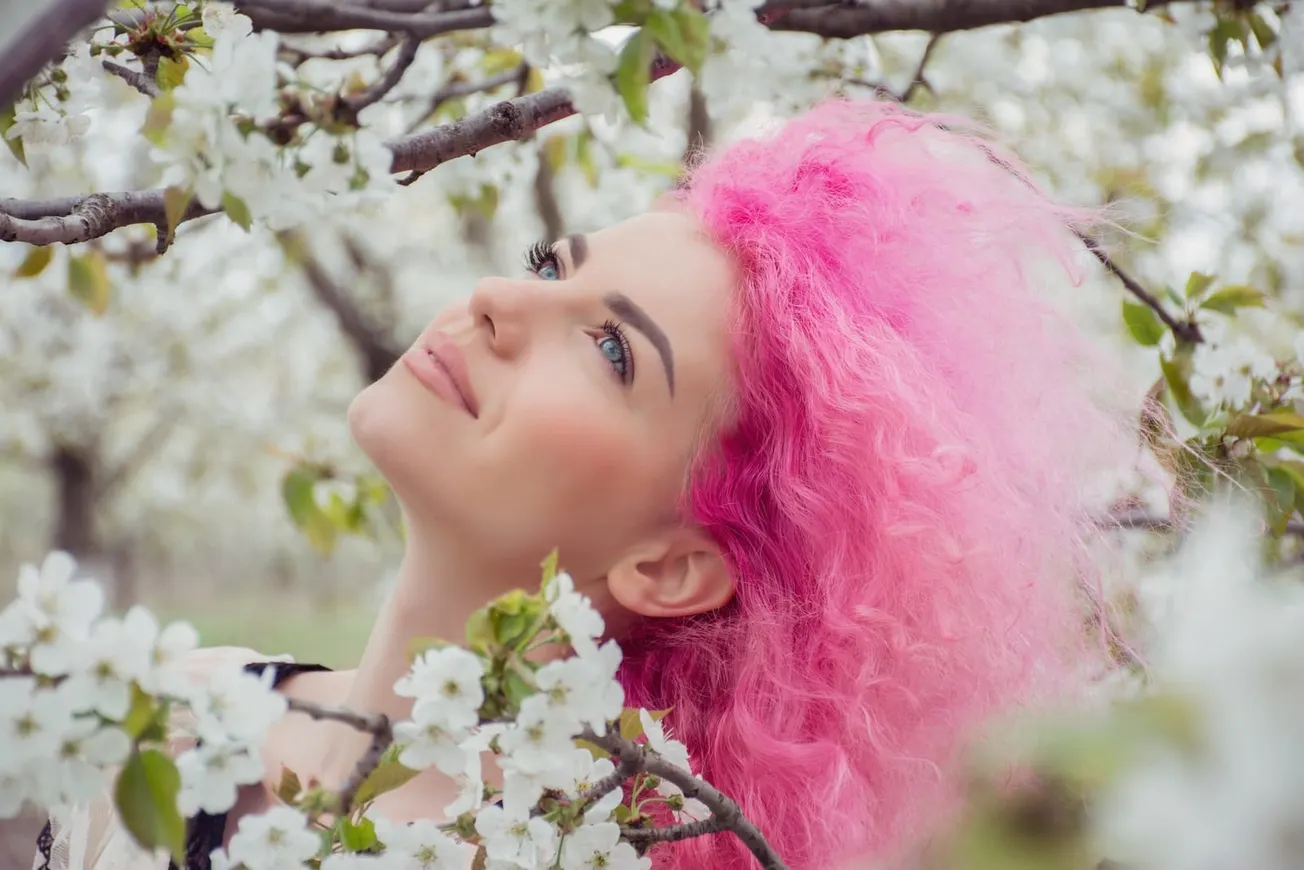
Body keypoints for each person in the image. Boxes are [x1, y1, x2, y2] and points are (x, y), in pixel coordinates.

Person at [37, 97, 1134, 870]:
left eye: (610, 350)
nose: (495, 300)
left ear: (669, 565)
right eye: (549, 265)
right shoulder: (153, 710)